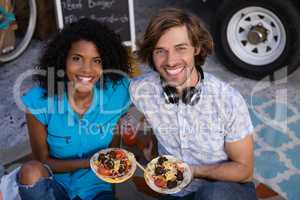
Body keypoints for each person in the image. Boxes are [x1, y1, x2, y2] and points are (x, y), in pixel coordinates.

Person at [130, 8, 257, 200]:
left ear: (196, 48)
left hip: (224, 189)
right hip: (174, 191)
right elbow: (102, 93)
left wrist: (192, 171)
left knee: (213, 195)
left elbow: (244, 170)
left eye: (180, 48)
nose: (171, 61)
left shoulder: (228, 99)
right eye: (160, 51)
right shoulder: (141, 90)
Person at [18, 18, 131, 200]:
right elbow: (43, 161)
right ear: (63, 59)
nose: (87, 69)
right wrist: (90, 163)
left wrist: (145, 140)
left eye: (97, 60)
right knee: (30, 172)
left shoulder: (118, 92)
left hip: (97, 186)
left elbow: (155, 92)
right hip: (56, 183)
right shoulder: (39, 101)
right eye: (77, 58)